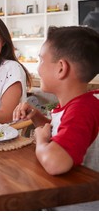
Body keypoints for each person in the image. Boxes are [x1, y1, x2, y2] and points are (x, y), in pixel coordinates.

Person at [13, 26, 99, 176]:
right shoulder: (77, 104)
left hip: (84, 195)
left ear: (61, 68)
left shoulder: (82, 110)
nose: (38, 68)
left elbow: (55, 163)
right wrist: (35, 116)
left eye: (41, 60)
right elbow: (61, 132)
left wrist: (40, 141)